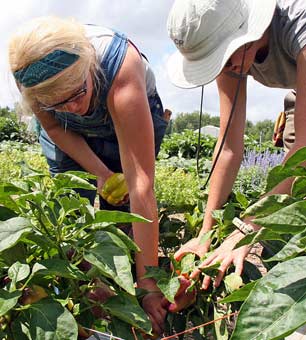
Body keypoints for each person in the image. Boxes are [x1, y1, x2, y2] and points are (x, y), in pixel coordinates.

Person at [8, 16, 168, 334]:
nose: (74, 107)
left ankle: (127, 289)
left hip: (122, 109)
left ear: (87, 67)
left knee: (122, 212)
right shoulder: (31, 77)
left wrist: (149, 284)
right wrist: (101, 172)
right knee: (70, 211)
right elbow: (54, 126)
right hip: (66, 135)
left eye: (77, 93)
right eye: (58, 102)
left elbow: (140, 185)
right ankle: (88, 288)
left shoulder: (118, 67)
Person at [166, 0, 306, 296]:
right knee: (281, 224)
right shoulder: (231, 54)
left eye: (224, 58)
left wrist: (245, 230)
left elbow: (304, 153)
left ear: (247, 31)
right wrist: (207, 232)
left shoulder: (300, 25)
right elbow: (229, 145)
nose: (225, 69)